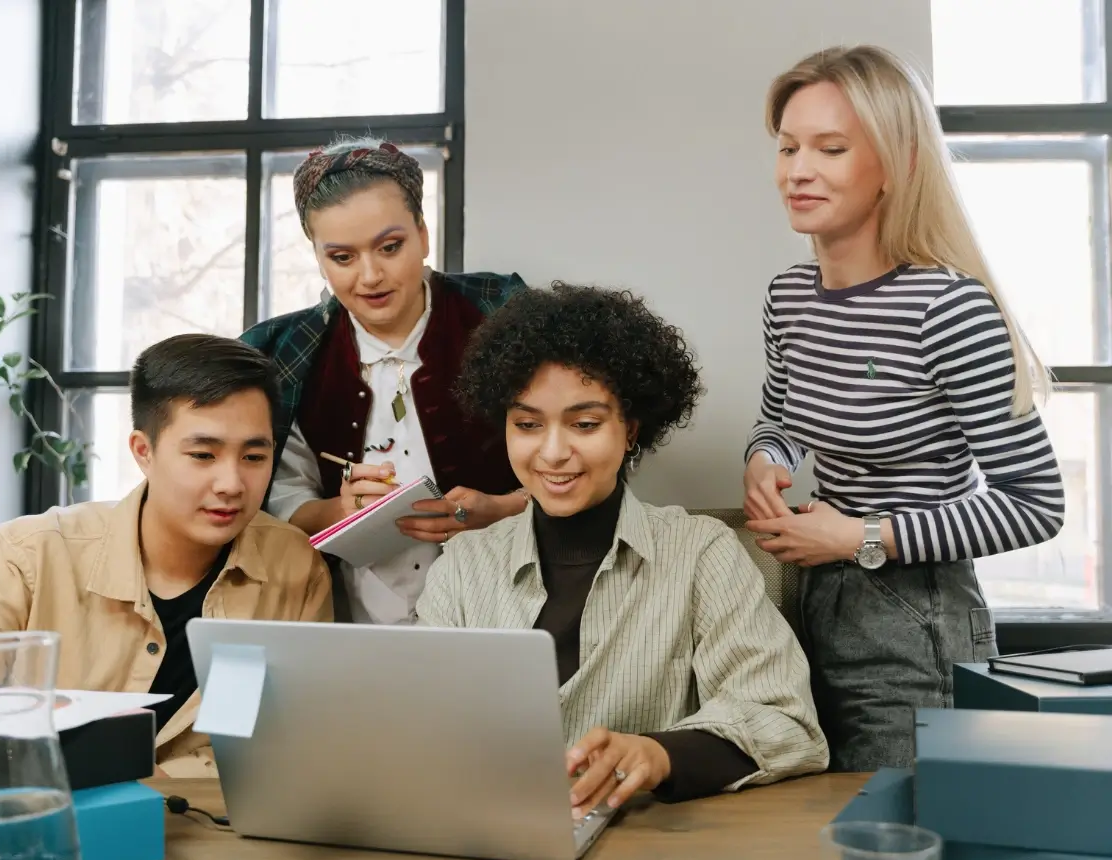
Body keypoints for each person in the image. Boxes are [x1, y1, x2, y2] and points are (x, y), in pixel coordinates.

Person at [742, 45, 1066, 771]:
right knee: (819, 839)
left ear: (896, 162)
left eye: (831, 148)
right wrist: (766, 459)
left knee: (902, 850)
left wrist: (862, 536)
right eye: (789, 146)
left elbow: (1035, 504)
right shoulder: (789, 296)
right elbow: (784, 421)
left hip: (918, 614)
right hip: (816, 600)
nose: (798, 170)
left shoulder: (948, 310)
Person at [417, 283, 829, 816]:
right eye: (527, 425)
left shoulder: (701, 554)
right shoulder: (466, 566)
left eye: (584, 424)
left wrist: (657, 755)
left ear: (630, 429)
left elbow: (787, 723)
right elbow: (420, 725)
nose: (553, 452)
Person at [0, 334, 332, 776]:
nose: (232, 483)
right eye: (202, 455)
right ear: (143, 451)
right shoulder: (30, 556)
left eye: (253, 456)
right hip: (52, 820)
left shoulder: (294, 567)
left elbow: (300, 742)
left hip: (218, 831)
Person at [240, 137, 528, 626]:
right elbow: (278, 496)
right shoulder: (283, 351)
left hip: (509, 608)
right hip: (353, 620)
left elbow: (581, 455)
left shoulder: (503, 314)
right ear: (318, 256)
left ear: (423, 234)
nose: (370, 276)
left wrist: (500, 511)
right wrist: (337, 510)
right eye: (342, 258)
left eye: (390, 247)